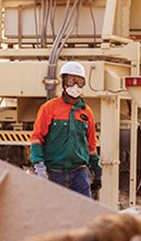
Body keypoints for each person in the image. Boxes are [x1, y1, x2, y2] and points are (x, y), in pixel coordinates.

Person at [30, 61, 102, 198]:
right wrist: (39, 166)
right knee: (55, 213)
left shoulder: (87, 113)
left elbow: (91, 146)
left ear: (84, 84)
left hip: (79, 173)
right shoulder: (49, 108)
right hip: (53, 173)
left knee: (83, 213)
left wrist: (97, 172)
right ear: (63, 82)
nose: (75, 85)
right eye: (71, 80)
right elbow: (36, 138)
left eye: (79, 81)